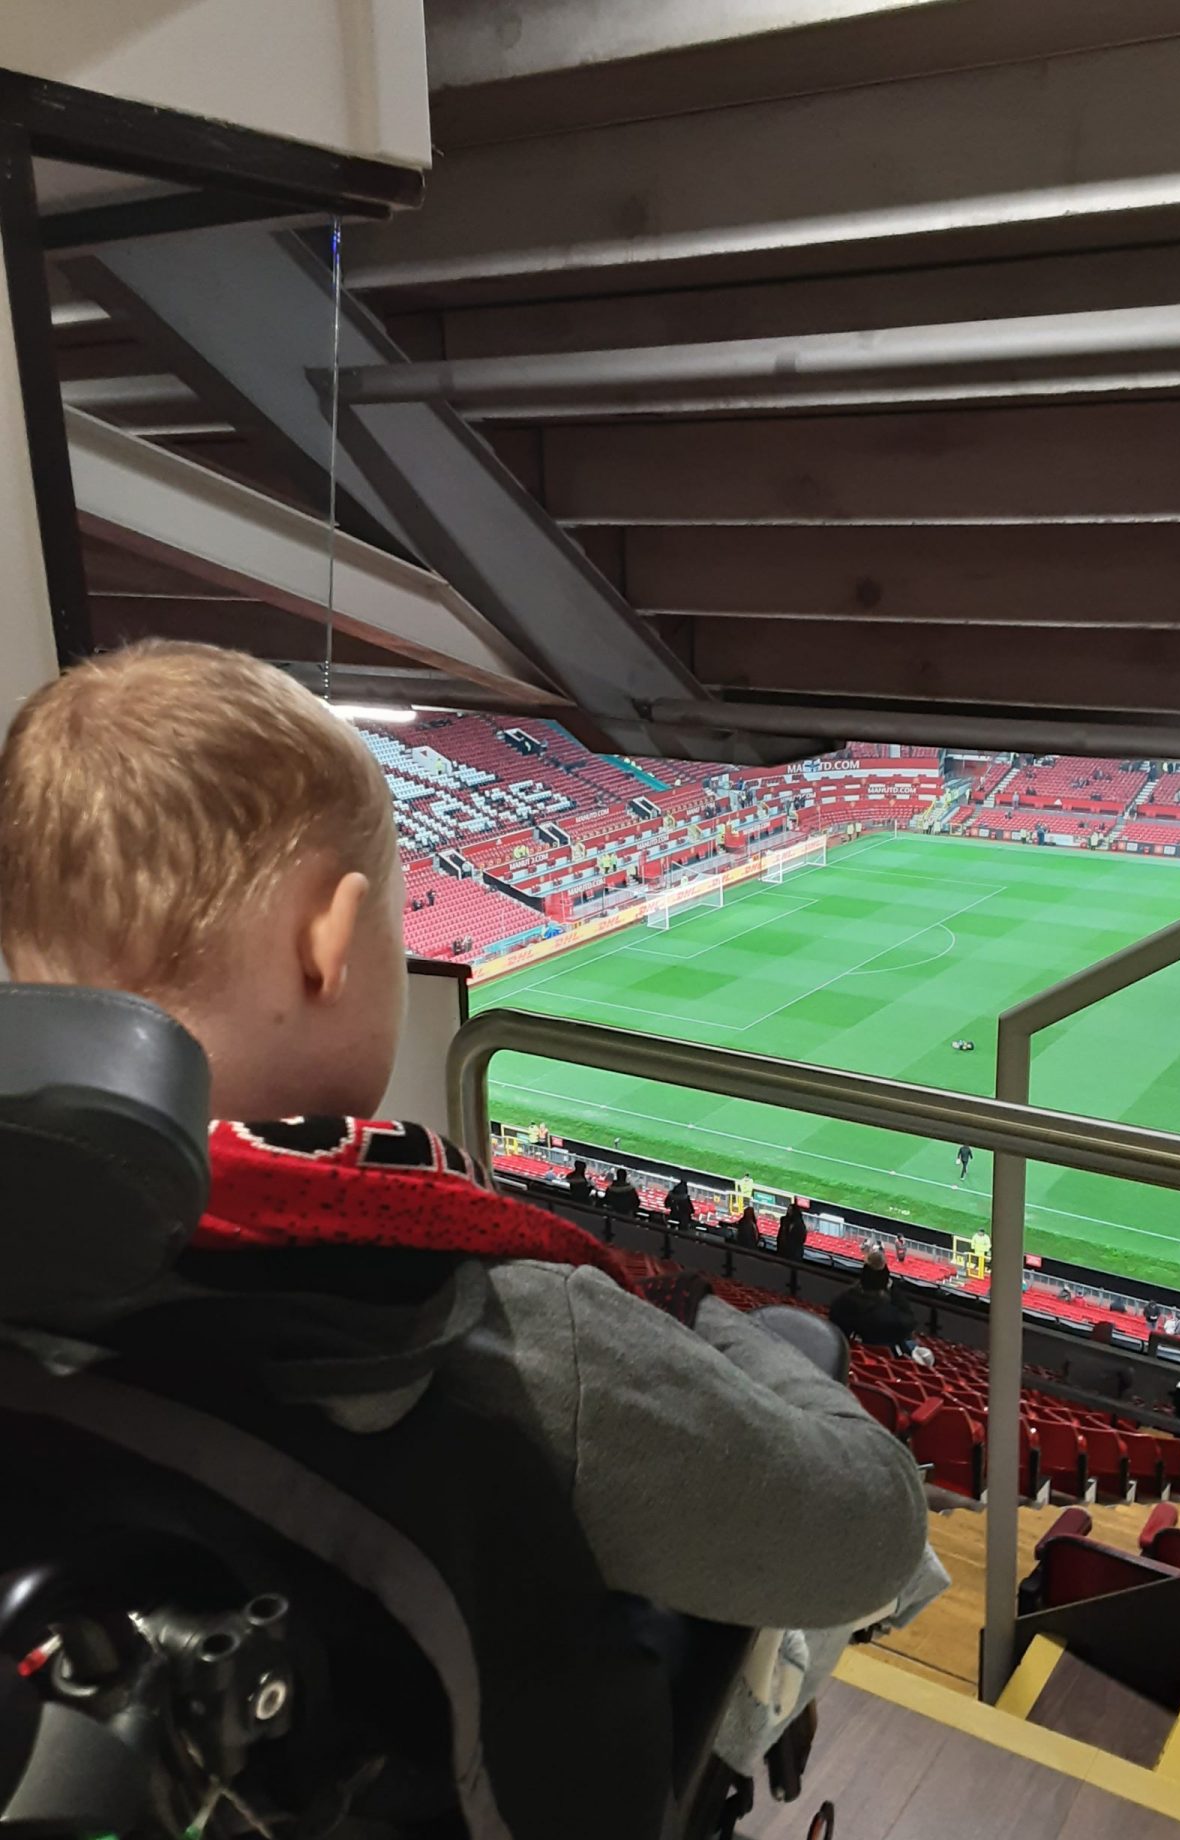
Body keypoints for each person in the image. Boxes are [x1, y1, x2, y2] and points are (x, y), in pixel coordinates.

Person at [0, 646, 930, 1716]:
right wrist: (711, 1319)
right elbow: (866, 1535)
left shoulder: (40, 1266)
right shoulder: (523, 1333)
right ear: (330, 944)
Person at [829, 1250, 917, 1351]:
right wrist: (893, 1289)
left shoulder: (841, 1302)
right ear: (885, 1283)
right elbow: (910, 1322)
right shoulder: (891, 1317)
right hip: (885, 1354)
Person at [775, 1199, 809, 1263]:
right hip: (783, 1251)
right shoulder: (785, 1222)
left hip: (794, 1254)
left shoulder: (799, 1225)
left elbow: (802, 1239)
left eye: (790, 1210)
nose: (788, 1212)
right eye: (788, 1210)